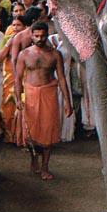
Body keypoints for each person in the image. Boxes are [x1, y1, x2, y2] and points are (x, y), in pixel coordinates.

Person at [15, 21, 72, 180]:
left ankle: (45, 167)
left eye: (42, 35)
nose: (39, 38)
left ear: (47, 35)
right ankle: (34, 159)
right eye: (36, 36)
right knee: (31, 132)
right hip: (30, 94)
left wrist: (68, 102)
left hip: (49, 93)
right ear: (31, 36)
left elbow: (61, 78)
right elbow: (18, 79)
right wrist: (18, 98)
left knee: (48, 132)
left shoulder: (55, 54)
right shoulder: (24, 54)